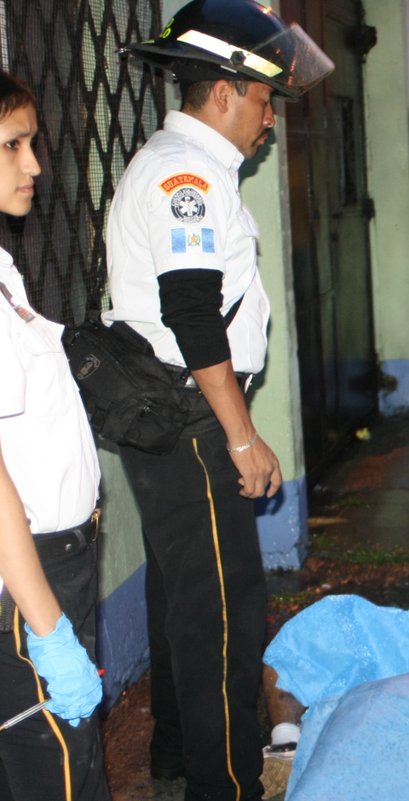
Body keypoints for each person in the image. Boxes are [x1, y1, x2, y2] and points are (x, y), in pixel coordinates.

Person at [104, 3, 333, 797]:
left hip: (179, 411)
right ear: (227, 92)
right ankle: (227, 782)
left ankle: (178, 753)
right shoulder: (188, 177)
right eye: (265, 101)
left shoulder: (184, 164)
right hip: (192, 420)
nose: (270, 121)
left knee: (183, 595)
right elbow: (194, 315)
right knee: (225, 613)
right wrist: (241, 437)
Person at [0, 70, 107, 801]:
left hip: (58, 558)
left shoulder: (4, 268)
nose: (34, 164)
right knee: (61, 778)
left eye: (31, 143)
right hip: (29, 576)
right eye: (13, 145)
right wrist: (45, 627)